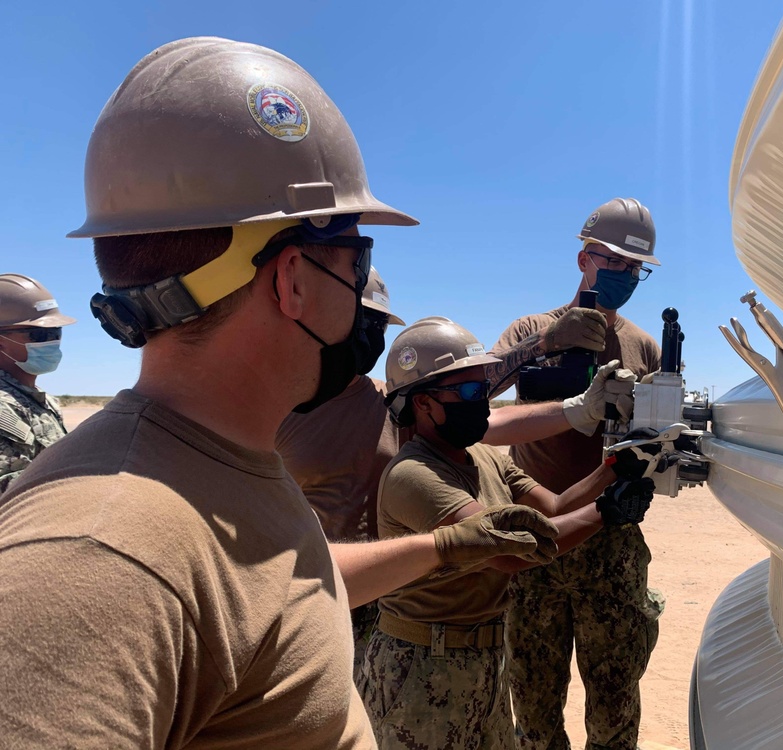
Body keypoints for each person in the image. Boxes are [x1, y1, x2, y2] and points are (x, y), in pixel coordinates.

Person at [0, 37, 557, 748]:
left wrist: (445, 546)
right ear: (293, 279)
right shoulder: (96, 556)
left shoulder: (220, 460)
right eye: (356, 260)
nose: (362, 296)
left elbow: (275, 584)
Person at [361, 316, 655, 748]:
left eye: (482, 389)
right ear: (422, 404)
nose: (480, 401)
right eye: (466, 392)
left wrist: (614, 469)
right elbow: (510, 554)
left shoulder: (483, 457)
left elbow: (553, 507)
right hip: (422, 667)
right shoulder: (415, 475)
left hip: (483, 659)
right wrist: (607, 512)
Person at [491, 198, 665, 750]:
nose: (623, 276)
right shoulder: (532, 328)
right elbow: (478, 398)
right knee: (534, 706)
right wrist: (546, 345)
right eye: (612, 262)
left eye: (634, 268)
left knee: (615, 705)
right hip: (534, 537)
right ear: (583, 259)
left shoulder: (643, 347)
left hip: (610, 535)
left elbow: (661, 441)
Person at [276, 265, 408, 685]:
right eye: (362, 319)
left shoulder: (391, 402)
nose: (370, 333)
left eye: (378, 323)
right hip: (310, 595)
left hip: (386, 597)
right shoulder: (280, 405)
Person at [0, 274, 76, 493]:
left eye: (56, 332)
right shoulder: (4, 407)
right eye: (39, 334)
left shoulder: (43, 401)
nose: (52, 341)